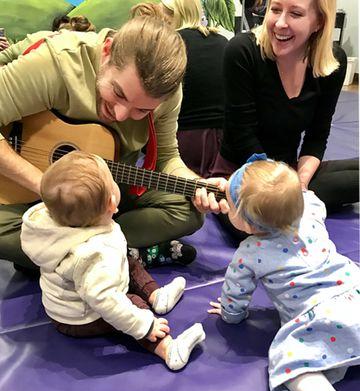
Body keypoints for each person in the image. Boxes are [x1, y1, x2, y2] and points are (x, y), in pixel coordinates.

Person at [0, 16, 228, 273]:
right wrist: (46, 186)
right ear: (107, 51)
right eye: (118, 93)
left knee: (187, 210)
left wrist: (197, 184)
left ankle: (64, 255)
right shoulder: (58, 62)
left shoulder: (168, 95)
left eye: (141, 110)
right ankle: (109, 254)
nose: (120, 115)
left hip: (110, 185)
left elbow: (166, 156)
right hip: (25, 186)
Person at [20, 150, 206, 370]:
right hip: (81, 317)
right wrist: (144, 325)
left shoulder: (55, 217)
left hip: (87, 287)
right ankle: (168, 350)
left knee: (129, 262)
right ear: (112, 203)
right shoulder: (95, 255)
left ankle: (157, 295)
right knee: (131, 305)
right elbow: (106, 303)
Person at [208, 153, 360, 391]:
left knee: (289, 364)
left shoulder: (249, 252)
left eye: (231, 207)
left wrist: (230, 314)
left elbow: (235, 293)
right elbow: (309, 198)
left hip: (323, 316)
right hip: (354, 289)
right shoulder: (310, 211)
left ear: (247, 225)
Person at [214, 0, 359, 240]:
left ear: (319, 22)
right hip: (244, 175)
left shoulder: (333, 62)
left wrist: (299, 184)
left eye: (295, 14)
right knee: (250, 225)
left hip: (290, 172)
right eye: (275, 9)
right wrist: (284, 190)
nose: (280, 23)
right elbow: (242, 137)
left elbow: (317, 135)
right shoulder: (242, 51)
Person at [132, 0, 228, 178]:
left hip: (182, 141)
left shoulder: (168, 48)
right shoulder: (223, 42)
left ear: (169, 15)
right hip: (223, 144)